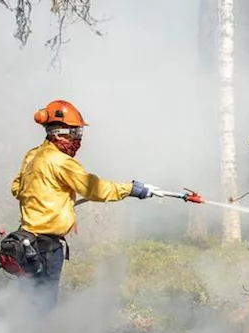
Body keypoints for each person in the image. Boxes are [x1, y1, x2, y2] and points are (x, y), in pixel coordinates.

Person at [8, 99, 156, 307]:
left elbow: (17, 188)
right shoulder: (60, 162)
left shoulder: (33, 155)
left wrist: (49, 196)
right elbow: (94, 188)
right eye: (76, 134)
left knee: (30, 300)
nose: (78, 140)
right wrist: (131, 189)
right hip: (46, 248)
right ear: (59, 133)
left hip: (26, 241)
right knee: (43, 304)